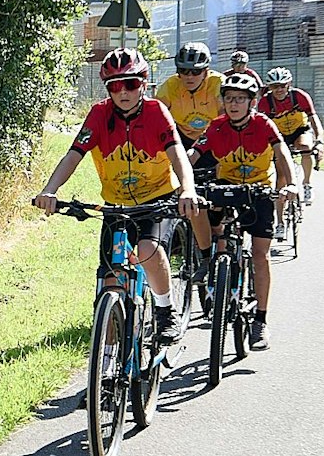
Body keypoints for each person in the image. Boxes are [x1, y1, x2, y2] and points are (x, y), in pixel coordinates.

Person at [34, 48, 201, 343]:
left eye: (131, 84)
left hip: (156, 199)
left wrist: (187, 189)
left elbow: (178, 157)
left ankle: (165, 311)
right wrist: (50, 190)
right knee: (109, 284)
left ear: (144, 84)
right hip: (116, 204)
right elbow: (74, 155)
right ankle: (107, 362)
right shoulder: (99, 114)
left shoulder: (156, 112)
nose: (123, 92)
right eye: (114, 86)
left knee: (148, 249)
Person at [190, 71, 300, 350]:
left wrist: (292, 184)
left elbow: (281, 153)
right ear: (223, 102)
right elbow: (192, 156)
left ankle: (260, 320)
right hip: (226, 187)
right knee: (211, 222)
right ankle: (213, 268)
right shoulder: (215, 127)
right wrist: (180, 181)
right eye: (229, 99)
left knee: (261, 254)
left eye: (240, 99)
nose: (234, 104)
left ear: (252, 102)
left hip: (259, 191)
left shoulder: (263, 124)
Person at [157, 41, 222, 262]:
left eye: (195, 71)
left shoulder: (216, 84)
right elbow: (155, 120)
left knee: (215, 195)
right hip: (182, 138)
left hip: (213, 137)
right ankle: (180, 239)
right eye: (183, 71)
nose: (189, 76)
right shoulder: (170, 87)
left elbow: (225, 117)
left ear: (206, 71)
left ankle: (219, 236)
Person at [259, 67, 324, 204]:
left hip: (299, 130)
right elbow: (262, 127)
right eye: (274, 86)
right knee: (281, 172)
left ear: (289, 84)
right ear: (269, 87)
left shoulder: (300, 96)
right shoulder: (265, 103)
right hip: (279, 135)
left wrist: (319, 141)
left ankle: (307, 184)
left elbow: (313, 118)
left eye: (282, 86)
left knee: (305, 146)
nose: (279, 90)